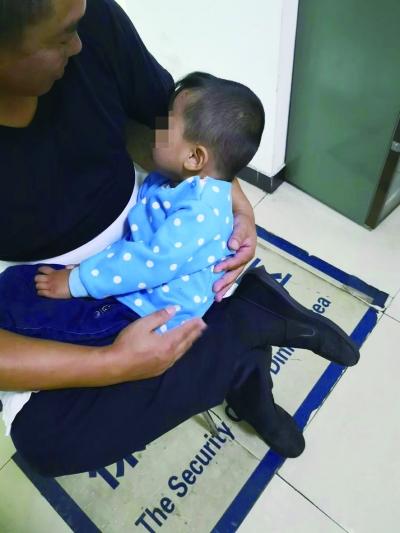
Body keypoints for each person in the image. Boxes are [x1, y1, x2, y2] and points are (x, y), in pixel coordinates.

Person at [0, 0, 359, 477]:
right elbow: (179, 141)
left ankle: (246, 369)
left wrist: (235, 203)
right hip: (80, 268)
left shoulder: (93, 18)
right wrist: (113, 363)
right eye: (60, 36)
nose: (79, 44)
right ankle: (242, 333)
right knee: (46, 440)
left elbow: (188, 134)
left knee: (176, 301)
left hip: (140, 246)